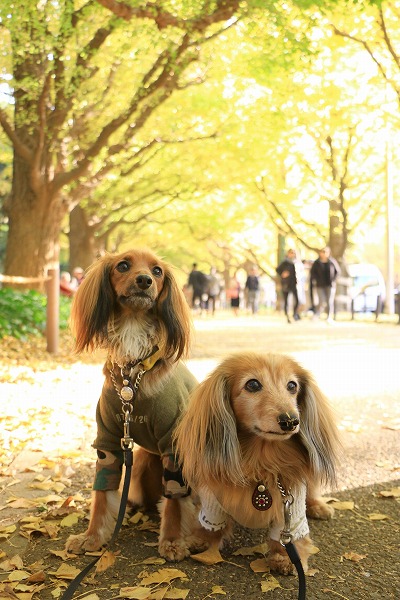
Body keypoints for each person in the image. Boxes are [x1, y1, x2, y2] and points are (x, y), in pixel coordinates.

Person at [310, 246, 341, 323]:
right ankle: (317, 314)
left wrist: (333, 280)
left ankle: (329, 317)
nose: (324, 254)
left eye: (325, 252)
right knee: (322, 301)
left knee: (329, 301)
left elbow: (338, 272)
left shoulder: (332, 262)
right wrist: (316, 280)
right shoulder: (316, 263)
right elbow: (312, 273)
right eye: (322, 252)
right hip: (320, 285)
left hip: (330, 285)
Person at [276, 249, 302, 323]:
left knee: (297, 301)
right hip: (286, 284)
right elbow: (278, 270)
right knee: (286, 301)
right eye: (291, 253)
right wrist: (283, 274)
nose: (292, 254)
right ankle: (287, 316)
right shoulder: (285, 262)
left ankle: (294, 314)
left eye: (293, 253)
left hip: (295, 284)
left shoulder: (297, 263)